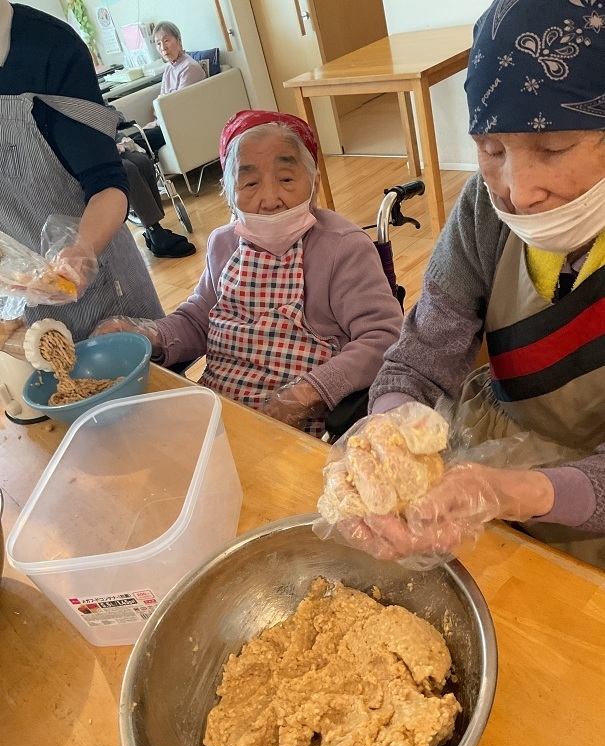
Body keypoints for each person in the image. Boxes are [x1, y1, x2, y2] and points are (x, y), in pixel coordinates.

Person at [325, 0, 605, 569]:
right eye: (491, 149)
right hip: (481, 470)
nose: (518, 191)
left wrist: (514, 491)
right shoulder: (486, 211)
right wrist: (390, 432)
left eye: (553, 149)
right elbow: (421, 358)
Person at [94, 110, 403, 436]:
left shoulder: (342, 247)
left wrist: (306, 393)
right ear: (228, 193)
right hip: (217, 412)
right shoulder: (223, 244)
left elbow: (384, 336)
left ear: (314, 184)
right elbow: (199, 320)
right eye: (251, 183)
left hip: (298, 426)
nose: (270, 200)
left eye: (286, 179)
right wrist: (149, 334)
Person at [0, 0, 163, 342]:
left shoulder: (49, 46)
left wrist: (84, 250)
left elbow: (108, 184)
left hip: (99, 289)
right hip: (17, 308)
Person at [111, 105, 196, 258]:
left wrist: (111, 122)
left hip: (114, 144)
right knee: (128, 169)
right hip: (94, 154)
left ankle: (153, 230)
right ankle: (155, 231)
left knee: (143, 161)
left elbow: (114, 112)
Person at [138, 20, 207, 153]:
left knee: (136, 144)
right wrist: (161, 105)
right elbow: (159, 105)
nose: (163, 47)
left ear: (179, 41)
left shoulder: (189, 68)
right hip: (165, 123)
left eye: (166, 40)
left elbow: (175, 107)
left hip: (180, 126)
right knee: (131, 140)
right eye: (158, 43)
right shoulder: (169, 68)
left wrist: (161, 105)